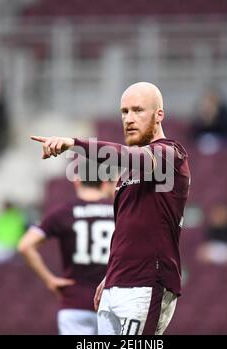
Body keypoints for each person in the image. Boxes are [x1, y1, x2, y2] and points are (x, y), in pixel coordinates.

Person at [31, 82, 191, 335]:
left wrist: (74, 143)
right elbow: (127, 229)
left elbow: (135, 157)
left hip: (147, 283)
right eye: (124, 111)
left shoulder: (171, 154)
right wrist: (111, 276)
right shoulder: (126, 175)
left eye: (138, 110)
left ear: (159, 114)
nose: (128, 119)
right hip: (116, 285)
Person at [18, 160, 115, 335]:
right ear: (105, 182)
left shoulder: (62, 212)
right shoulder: (119, 212)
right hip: (113, 302)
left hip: (74, 301)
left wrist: (50, 280)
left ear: (77, 180)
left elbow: (25, 246)